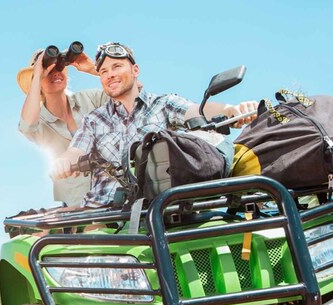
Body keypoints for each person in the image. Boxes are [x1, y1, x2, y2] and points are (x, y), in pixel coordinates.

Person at [51, 42, 258, 208]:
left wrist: (232, 110)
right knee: (93, 252)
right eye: (103, 71)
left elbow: (198, 111)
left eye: (116, 66)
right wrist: (64, 162)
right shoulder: (94, 119)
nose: (109, 75)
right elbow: (76, 150)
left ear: (135, 70)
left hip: (159, 207)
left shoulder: (163, 104)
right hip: (105, 212)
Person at [17, 47, 108, 206]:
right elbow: (27, 125)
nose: (55, 72)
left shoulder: (90, 99)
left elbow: (132, 92)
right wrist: (37, 73)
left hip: (114, 194)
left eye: (59, 66)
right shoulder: (40, 120)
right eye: (48, 70)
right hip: (78, 206)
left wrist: (96, 69)